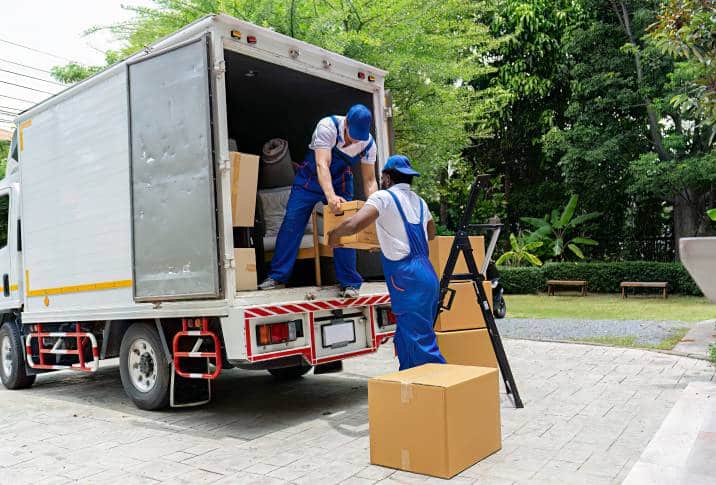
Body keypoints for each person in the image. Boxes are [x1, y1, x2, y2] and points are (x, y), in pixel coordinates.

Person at [327, 155, 446, 370]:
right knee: (406, 339)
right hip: (427, 274)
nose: (381, 181)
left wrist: (334, 235)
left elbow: (355, 224)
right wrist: (390, 242)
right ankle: (411, 392)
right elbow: (431, 233)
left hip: (407, 278)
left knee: (421, 345)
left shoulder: (383, 198)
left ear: (388, 178)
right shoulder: (420, 202)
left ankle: (442, 393)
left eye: (382, 178)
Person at [258, 104, 379, 298]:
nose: (353, 140)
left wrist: (375, 207)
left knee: (345, 228)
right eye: (351, 135)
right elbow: (323, 164)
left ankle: (350, 283)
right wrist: (331, 197)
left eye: (358, 137)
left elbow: (370, 180)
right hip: (310, 180)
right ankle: (277, 277)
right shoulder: (327, 126)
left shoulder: (368, 143)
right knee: (292, 223)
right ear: (346, 122)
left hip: (341, 182)